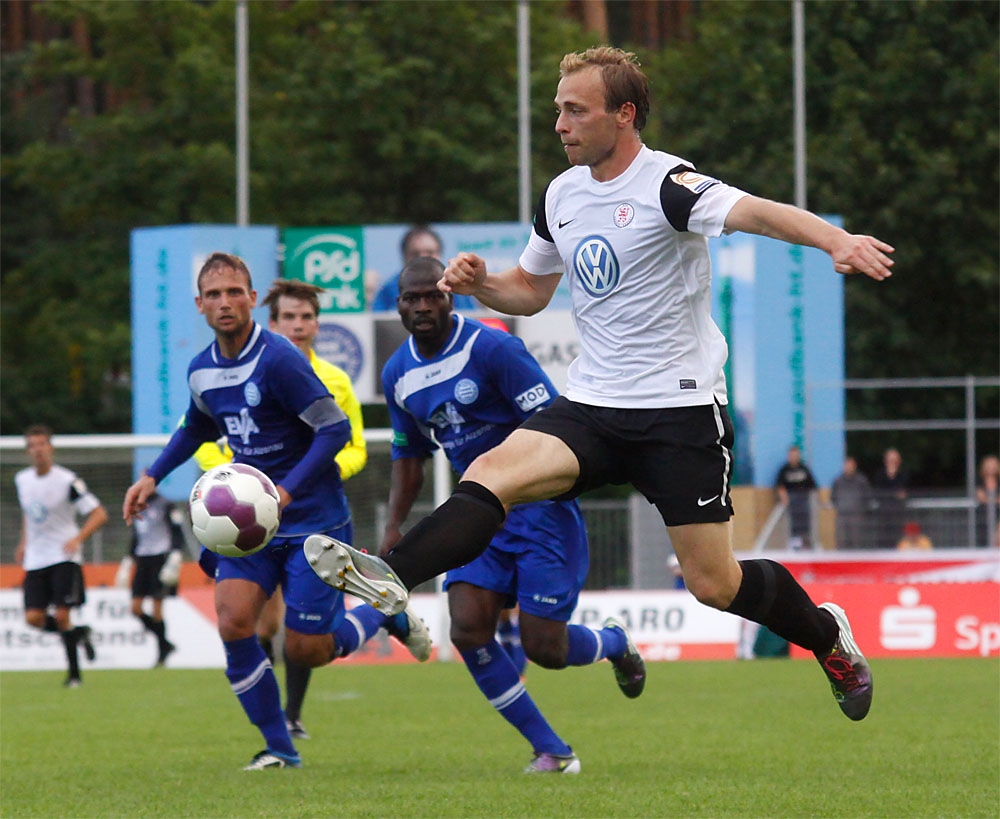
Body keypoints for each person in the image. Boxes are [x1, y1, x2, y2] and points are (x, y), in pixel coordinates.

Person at [308, 46, 893, 723]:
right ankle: (393, 575)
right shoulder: (561, 194)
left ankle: (826, 635)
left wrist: (834, 241)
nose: (560, 124)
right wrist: (483, 284)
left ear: (624, 114)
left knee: (714, 583)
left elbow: (757, 213)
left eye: (575, 110)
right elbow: (529, 291)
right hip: (594, 404)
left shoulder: (669, 185)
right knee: (491, 471)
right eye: (558, 109)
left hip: (678, 410)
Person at [123, 252, 430, 771]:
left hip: (313, 521)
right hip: (250, 527)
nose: (224, 302)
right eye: (214, 294)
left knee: (307, 650)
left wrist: (285, 492)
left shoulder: (280, 359)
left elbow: (334, 429)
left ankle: (382, 613)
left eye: (234, 292)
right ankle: (279, 749)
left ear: (251, 299)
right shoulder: (202, 370)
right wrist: (153, 475)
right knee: (233, 623)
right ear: (199, 304)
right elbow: (198, 426)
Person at [376, 256, 645, 774]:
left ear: (450, 296)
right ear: (400, 306)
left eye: (433, 295)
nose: (423, 306)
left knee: (545, 647)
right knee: (467, 629)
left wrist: (514, 483)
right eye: (412, 298)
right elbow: (409, 455)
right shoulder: (397, 373)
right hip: (475, 516)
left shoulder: (493, 348)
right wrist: (393, 525)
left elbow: (552, 423)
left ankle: (615, 643)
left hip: (540, 509)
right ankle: (552, 751)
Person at [193, 277, 372, 741]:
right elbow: (203, 436)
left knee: (302, 634)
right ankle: (279, 731)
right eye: (289, 317)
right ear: (271, 322)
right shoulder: (236, 368)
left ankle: (293, 713)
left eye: (306, 317)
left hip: (310, 512)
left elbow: (351, 443)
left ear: (317, 325)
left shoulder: (335, 381)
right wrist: (235, 484)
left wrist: (322, 473)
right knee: (257, 621)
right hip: (250, 517)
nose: (298, 325)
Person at [15, 424, 107, 688]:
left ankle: (74, 676)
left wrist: (77, 539)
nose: (38, 450)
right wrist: (23, 543)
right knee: (33, 618)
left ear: (50, 447)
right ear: (28, 451)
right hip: (35, 558)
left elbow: (99, 514)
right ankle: (80, 634)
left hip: (63, 556)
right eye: (32, 446)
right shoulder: (22, 480)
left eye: (42, 444)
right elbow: (29, 514)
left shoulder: (67, 481)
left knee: (63, 615)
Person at [116, 489, 185, 666]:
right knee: (135, 607)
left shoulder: (166, 504)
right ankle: (164, 643)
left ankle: (161, 652)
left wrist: (175, 555)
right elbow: (136, 535)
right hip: (142, 559)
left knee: (157, 608)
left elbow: (177, 531)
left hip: (160, 557)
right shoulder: (136, 505)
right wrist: (127, 561)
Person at [369, 224, 479, 312]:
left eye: (429, 252)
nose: (423, 258)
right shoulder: (388, 289)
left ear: (440, 255)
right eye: (415, 253)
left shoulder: (456, 286)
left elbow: (469, 318)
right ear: (404, 256)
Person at [774, 445, 817, 550]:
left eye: (795, 455)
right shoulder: (784, 470)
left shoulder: (804, 468)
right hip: (791, 498)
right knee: (793, 522)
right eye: (792, 455)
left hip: (803, 498)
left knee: (805, 521)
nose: (794, 457)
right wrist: (784, 498)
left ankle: (806, 541)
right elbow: (780, 486)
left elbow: (813, 486)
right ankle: (794, 542)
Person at [830, 455, 873, 550]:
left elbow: (867, 496)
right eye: (847, 465)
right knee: (841, 541)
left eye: (851, 465)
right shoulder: (837, 481)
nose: (848, 467)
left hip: (857, 516)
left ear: (855, 466)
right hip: (842, 516)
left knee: (856, 541)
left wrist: (862, 510)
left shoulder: (861, 480)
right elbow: (833, 497)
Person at [872, 448, 909, 549]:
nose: (892, 462)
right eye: (890, 460)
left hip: (898, 513)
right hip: (883, 513)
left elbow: (903, 491)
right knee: (883, 538)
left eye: (894, 460)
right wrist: (894, 493)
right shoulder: (880, 475)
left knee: (897, 538)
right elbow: (879, 492)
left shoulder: (903, 474)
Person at [975, 455, 999, 548]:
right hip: (983, 516)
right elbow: (981, 498)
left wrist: (988, 500)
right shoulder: (979, 481)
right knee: (983, 541)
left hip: (997, 515)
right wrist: (995, 500)